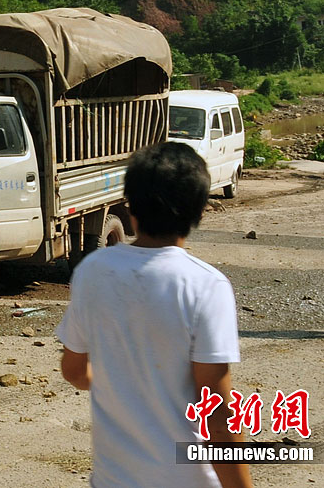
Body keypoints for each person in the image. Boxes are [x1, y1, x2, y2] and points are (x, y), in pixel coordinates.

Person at [56, 142, 252, 488]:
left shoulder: (94, 271)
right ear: (199, 212)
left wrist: (126, 387)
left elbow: (73, 370)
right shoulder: (206, 285)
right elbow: (218, 416)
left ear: (131, 209)